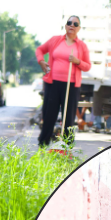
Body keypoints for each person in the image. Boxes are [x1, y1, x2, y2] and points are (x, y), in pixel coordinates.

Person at [35, 16, 92, 147]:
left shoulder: (81, 46)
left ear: (79, 28)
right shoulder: (55, 40)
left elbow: (88, 66)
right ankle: (43, 145)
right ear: (66, 26)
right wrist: (41, 61)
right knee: (49, 115)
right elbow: (40, 50)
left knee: (68, 118)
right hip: (53, 83)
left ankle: (67, 148)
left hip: (71, 86)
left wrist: (78, 61)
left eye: (75, 24)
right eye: (69, 23)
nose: (72, 25)